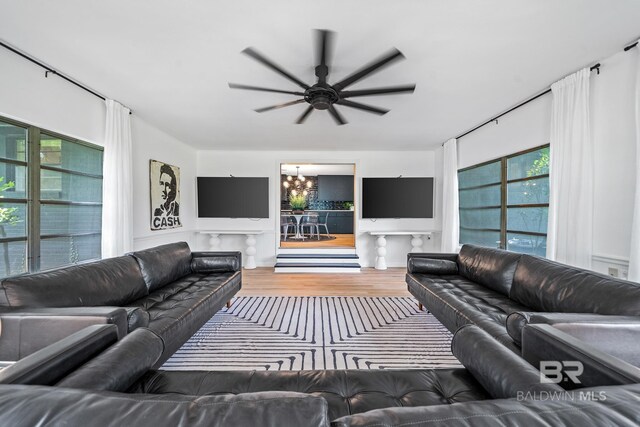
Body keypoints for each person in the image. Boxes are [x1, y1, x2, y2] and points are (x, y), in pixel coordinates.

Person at [152, 163, 181, 229]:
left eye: (167, 185)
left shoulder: (176, 209)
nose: (163, 190)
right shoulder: (157, 211)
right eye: (161, 183)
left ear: (173, 189)